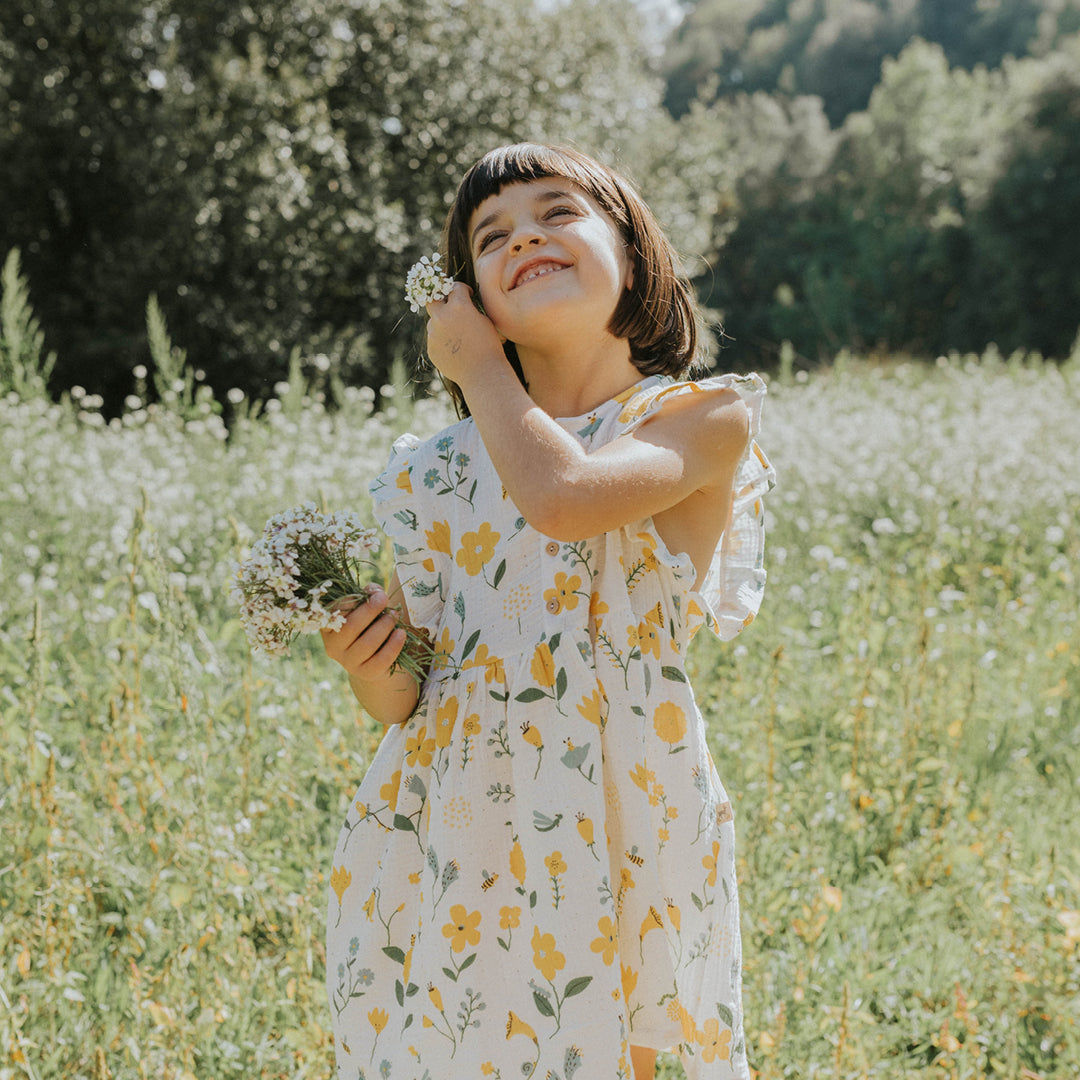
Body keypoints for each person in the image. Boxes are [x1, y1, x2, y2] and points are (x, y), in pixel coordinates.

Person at [321, 143, 774, 1080]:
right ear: (474, 294)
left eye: (557, 212)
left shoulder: (698, 417)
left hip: (618, 817)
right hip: (454, 826)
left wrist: (482, 370)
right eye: (492, 236)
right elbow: (406, 698)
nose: (525, 234)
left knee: (625, 1048)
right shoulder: (439, 469)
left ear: (634, 251)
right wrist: (372, 662)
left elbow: (562, 499)